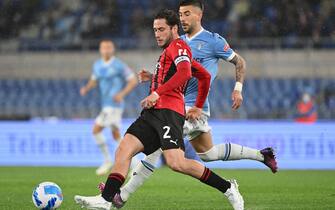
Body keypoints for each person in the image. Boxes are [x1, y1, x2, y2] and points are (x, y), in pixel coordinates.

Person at [74, 9, 244, 210]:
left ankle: (228, 188)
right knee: (124, 149)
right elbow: (204, 76)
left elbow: (184, 73)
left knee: (177, 163)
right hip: (153, 113)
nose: (157, 33)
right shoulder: (170, 50)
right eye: (155, 29)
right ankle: (106, 199)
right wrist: (154, 78)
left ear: (174, 28)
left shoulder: (179, 46)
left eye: (162, 29)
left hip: (169, 114)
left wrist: (158, 93)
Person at [116, 0, 277, 206]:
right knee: (209, 154)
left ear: (199, 15)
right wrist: (153, 76)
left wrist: (238, 89)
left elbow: (240, 62)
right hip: (178, 106)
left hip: (191, 108)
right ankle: (262, 155)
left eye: (187, 14)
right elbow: (176, 71)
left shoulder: (213, 41)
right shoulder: (177, 40)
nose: (182, 18)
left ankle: (122, 195)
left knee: (156, 149)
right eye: (180, 14)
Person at [80, 39, 138, 175]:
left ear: (113, 49)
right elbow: (94, 80)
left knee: (96, 130)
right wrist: (86, 88)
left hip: (114, 106)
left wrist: (121, 94)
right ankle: (135, 163)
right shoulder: (97, 65)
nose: (106, 50)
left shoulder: (118, 65)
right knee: (116, 135)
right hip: (106, 104)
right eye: (104, 47)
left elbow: (133, 80)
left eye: (109, 47)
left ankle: (107, 160)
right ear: (100, 50)